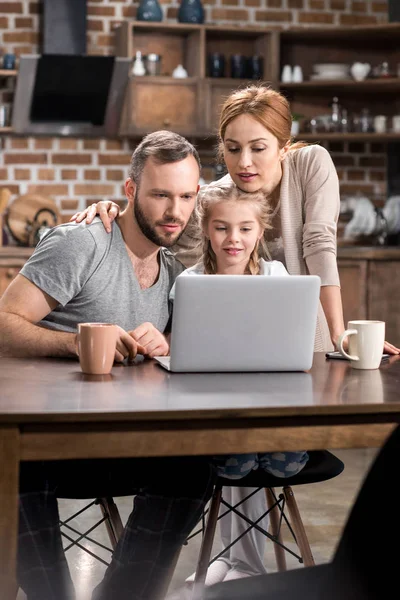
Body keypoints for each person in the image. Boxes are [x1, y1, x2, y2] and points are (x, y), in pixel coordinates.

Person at [71, 84, 400, 584]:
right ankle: (237, 559)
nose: (243, 161)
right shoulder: (213, 196)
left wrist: (340, 338)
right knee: (229, 414)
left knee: (257, 410)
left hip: (303, 334)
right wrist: (112, 208)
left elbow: (319, 246)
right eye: (231, 148)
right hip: (229, 349)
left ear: (284, 144)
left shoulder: (312, 164)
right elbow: (162, 222)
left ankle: (242, 558)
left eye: (258, 147)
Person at [0, 130, 216, 600]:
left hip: (122, 443)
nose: (174, 211)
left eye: (185, 196)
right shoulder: (84, 243)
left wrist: (169, 342)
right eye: (160, 195)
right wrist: (75, 344)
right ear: (130, 191)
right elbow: (3, 323)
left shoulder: (178, 275)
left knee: (194, 462)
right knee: (8, 463)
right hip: (47, 446)